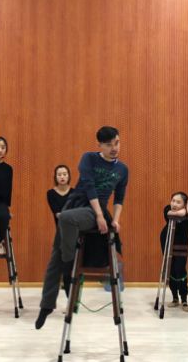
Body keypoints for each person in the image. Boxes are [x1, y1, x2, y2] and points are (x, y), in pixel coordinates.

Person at [36, 126, 129, 329]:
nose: (114, 148)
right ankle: (46, 305)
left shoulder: (122, 169)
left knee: (65, 221)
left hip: (94, 211)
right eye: (108, 145)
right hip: (80, 204)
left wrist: (115, 220)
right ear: (99, 145)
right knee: (55, 256)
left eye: (117, 143)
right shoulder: (88, 158)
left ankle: (68, 263)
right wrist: (99, 215)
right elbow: (88, 186)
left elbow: (119, 198)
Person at [160, 192, 188, 312]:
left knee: (180, 268)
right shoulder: (167, 209)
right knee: (170, 268)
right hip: (167, 239)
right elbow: (178, 214)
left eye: (178, 202)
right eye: (173, 201)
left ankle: (184, 299)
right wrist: (186, 208)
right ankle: (175, 297)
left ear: (184, 203)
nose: (174, 204)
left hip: (182, 242)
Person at [46, 165, 73, 296]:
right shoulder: (51, 193)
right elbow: (57, 214)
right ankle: (66, 293)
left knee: (70, 265)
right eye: (59, 174)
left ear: (69, 176)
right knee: (61, 263)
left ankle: (71, 297)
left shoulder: (75, 193)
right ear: (55, 177)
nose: (62, 177)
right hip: (61, 233)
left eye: (65, 174)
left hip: (74, 232)